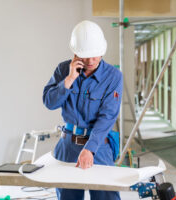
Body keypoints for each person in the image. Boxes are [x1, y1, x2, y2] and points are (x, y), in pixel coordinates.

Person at [43, 20, 122, 200]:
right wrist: (69, 79)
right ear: (75, 52)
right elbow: (49, 102)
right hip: (68, 145)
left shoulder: (113, 76)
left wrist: (90, 149)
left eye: (96, 55)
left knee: (106, 196)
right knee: (68, 197)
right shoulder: (63, 69)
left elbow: (108, 116)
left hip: (99, 147)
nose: (92, 61)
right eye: (86, 56)